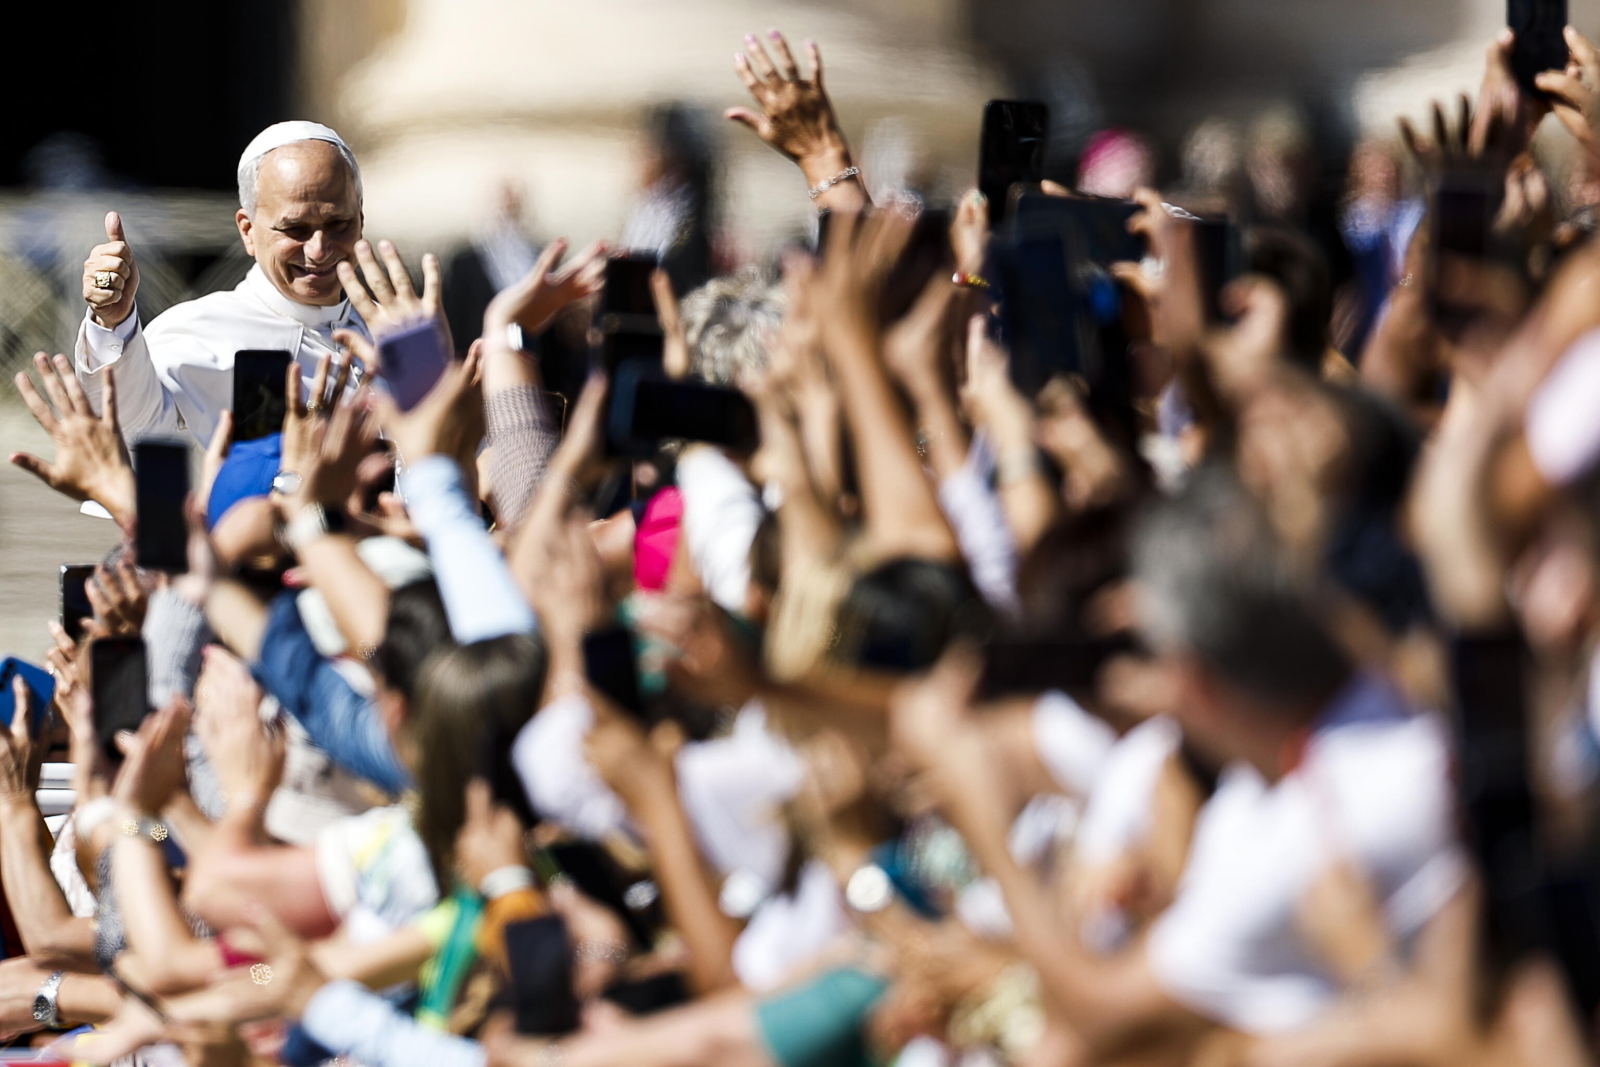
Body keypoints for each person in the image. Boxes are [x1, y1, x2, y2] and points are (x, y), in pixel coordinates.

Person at [72, 121, 379, 446]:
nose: (319, 250)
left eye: (338, 223)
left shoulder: (393, 330)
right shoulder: (200, 332)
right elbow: (129, 431)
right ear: (248, 231)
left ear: (360, 219)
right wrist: (113, 322)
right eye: (295, 229)